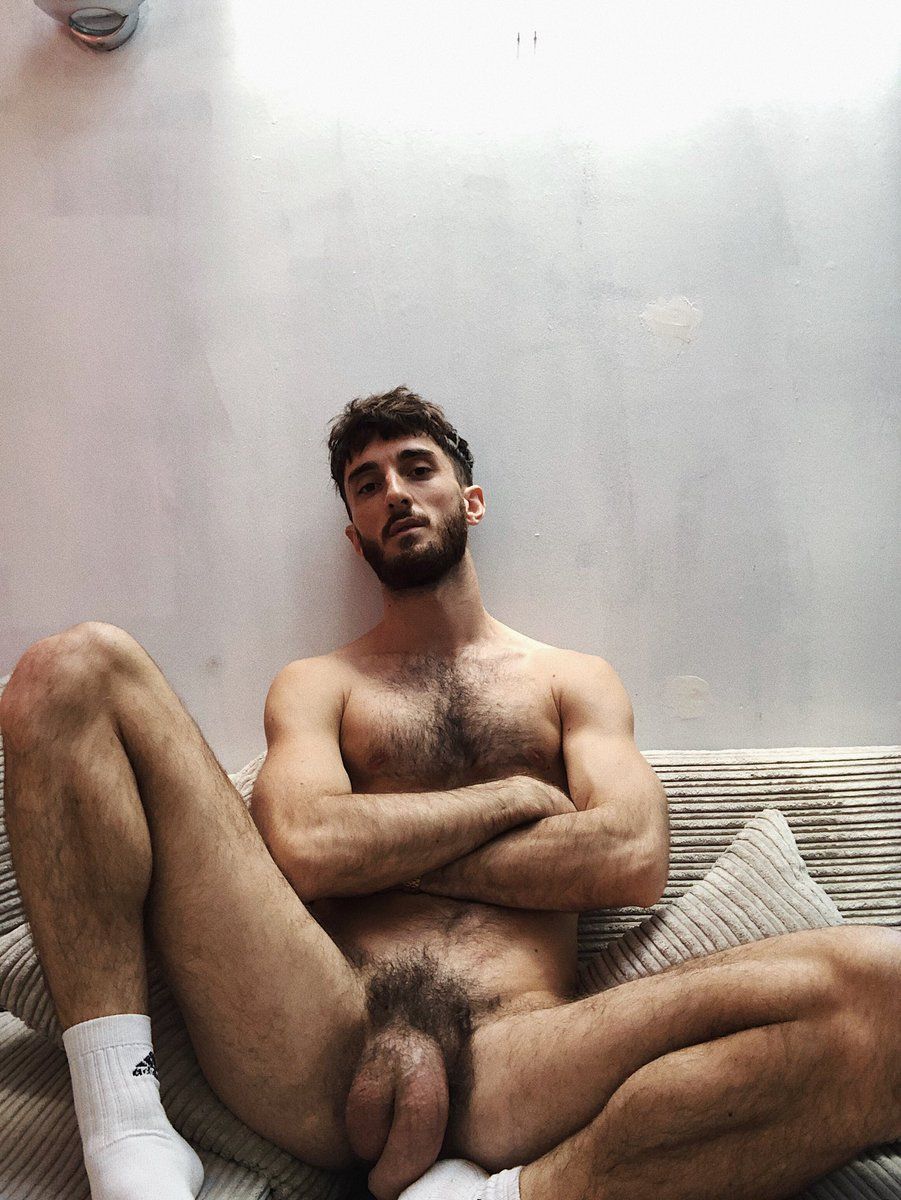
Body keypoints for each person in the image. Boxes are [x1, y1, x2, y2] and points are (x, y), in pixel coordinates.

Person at [1, 386, 898, 1200]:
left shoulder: (571, 678)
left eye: (416, 468)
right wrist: (511, 799)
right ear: (354, 536)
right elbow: (306, 849)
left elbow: (629, 858)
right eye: (365, 485)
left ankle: (511, 1194)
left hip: (520, 1058)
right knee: (71, 666)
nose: (392, 492)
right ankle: (126, 1130)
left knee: (885, 989)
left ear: (469, 500)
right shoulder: (319, 684)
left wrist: (378, 849)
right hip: (321, 1028)